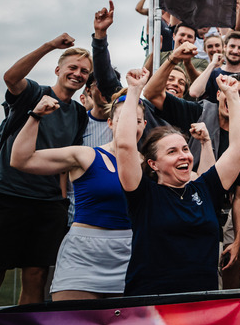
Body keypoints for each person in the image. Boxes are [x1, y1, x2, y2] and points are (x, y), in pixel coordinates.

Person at [116, 70, 240, 296]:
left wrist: (232, 96)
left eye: (185, 149)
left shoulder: (205, 188)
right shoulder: (142, 194)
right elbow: (125, 146)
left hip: (201, 304)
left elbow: (238, 148)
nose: (184, 156)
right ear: (153, 164)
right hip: (151, 306)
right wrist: (135, 90)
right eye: (172, 151)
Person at [10, 94, 145, 300]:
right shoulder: (86, 155)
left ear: (144, 124)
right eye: (122, 120)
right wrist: (35, 116)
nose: (129, 126)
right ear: (110, 123)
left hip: (131, 255)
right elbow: (22, 160)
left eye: (136, 121)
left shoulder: (153, 164)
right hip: (83, 256)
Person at [0, 35, 91, 306]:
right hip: (6, 194)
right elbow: (11, 77)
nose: (77, 73)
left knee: (36, 274)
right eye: (72, 67)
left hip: (47, 204)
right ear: (58, 70)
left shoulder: (80, 115)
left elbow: (65, 162)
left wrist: (60, 201)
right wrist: (49, 46)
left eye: (84, 71)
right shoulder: (33, 93)